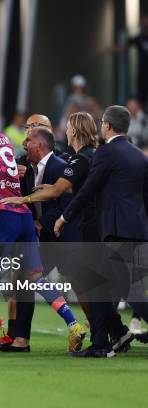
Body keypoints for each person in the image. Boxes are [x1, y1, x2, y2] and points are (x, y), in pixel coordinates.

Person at [0, 104, 85, 353]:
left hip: (5, 215)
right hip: (23, 218)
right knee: (33, 278)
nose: (25, 138)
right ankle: (72, 323)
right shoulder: (4, 141)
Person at [55, 105, 148, 357]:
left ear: (106, 126)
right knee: (106, 287)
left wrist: (65, 216)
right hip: (138, 230)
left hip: (115, 232)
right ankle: (104, 342)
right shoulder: (139, 155)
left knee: (128, 291)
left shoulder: (106, 153)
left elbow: (88, 190)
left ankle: (102, 343)